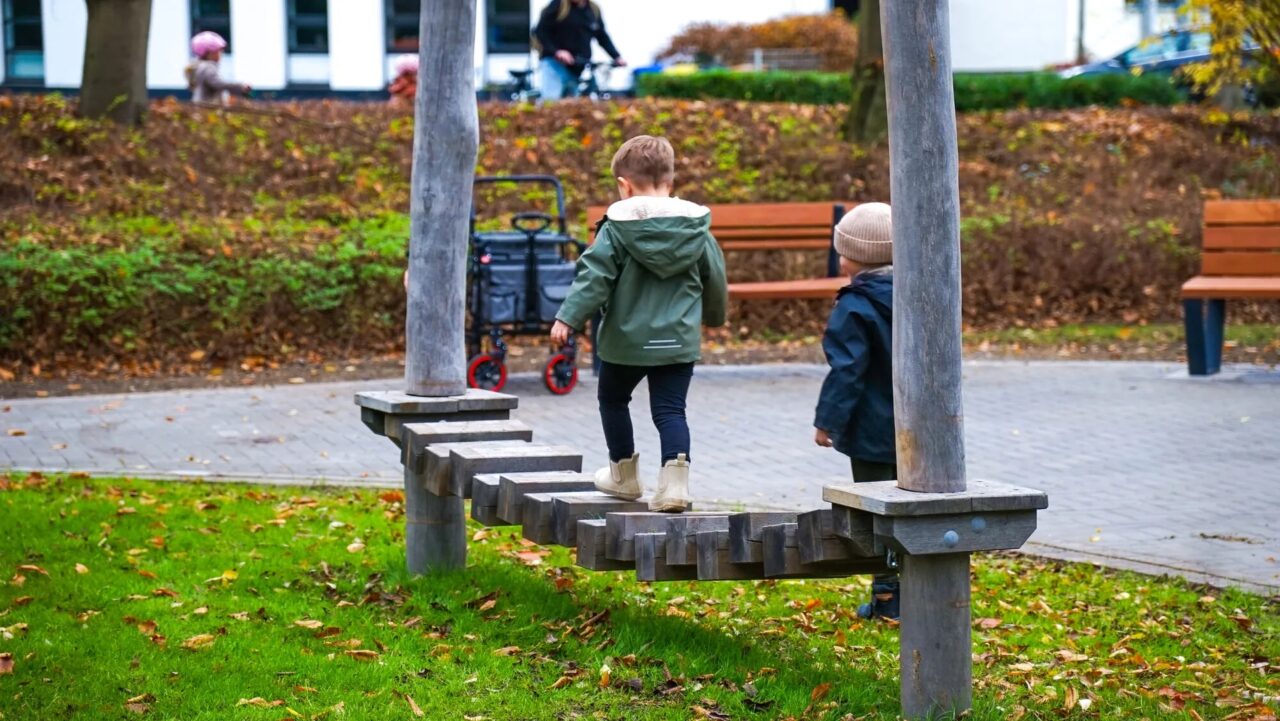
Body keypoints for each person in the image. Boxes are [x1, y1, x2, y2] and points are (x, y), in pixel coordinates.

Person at [550, 136, 727, 513]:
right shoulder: (697, 229)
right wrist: (713, 318)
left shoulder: (615, 230)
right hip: (677, 341)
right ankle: (675, 487)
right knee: (670, 410)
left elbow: (593, 277)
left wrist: (569, 316)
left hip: (625, 343)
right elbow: (715, 277)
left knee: (613, 399)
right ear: (671, 181)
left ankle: (624, 476)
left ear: (624, 186)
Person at [812, 202, 900, 620]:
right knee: (915, 508)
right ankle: (916, 590)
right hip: (920, 427)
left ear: (849, 257)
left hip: (870, 432)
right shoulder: (918, 293)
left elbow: (847, 370)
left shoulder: (854, 306)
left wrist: (827, 422)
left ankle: (888, 598)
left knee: (877, 513)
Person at [532, 0, 626, 100]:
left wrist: (616, 57)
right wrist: (557, 51)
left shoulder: (593, 10)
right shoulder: (558, 5)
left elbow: (602, 36)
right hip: (554, 64)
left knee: (572, 107)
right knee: (551, 101)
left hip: (577, 66)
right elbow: (541, 31)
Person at [186, 31, 251, 105]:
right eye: (219, 51)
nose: (221, 54)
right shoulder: (207, 68)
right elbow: (219, 83)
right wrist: (240, 86)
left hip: (201, 104)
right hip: (207, 106)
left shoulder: (199, 66)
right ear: (210, 53)